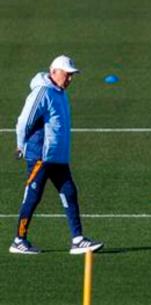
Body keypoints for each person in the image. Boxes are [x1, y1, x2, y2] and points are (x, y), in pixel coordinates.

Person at [9, 55, 103, 255]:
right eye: (66, 74)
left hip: (58, 157)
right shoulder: (42, 92)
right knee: (32, 197)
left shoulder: (60, 93)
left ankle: (77, 239)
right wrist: (20, 145)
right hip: (41, 157)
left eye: (72, 76)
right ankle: (19, 240)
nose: (69, 79)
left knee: (70, 193)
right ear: (53, 72)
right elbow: (23, 122)